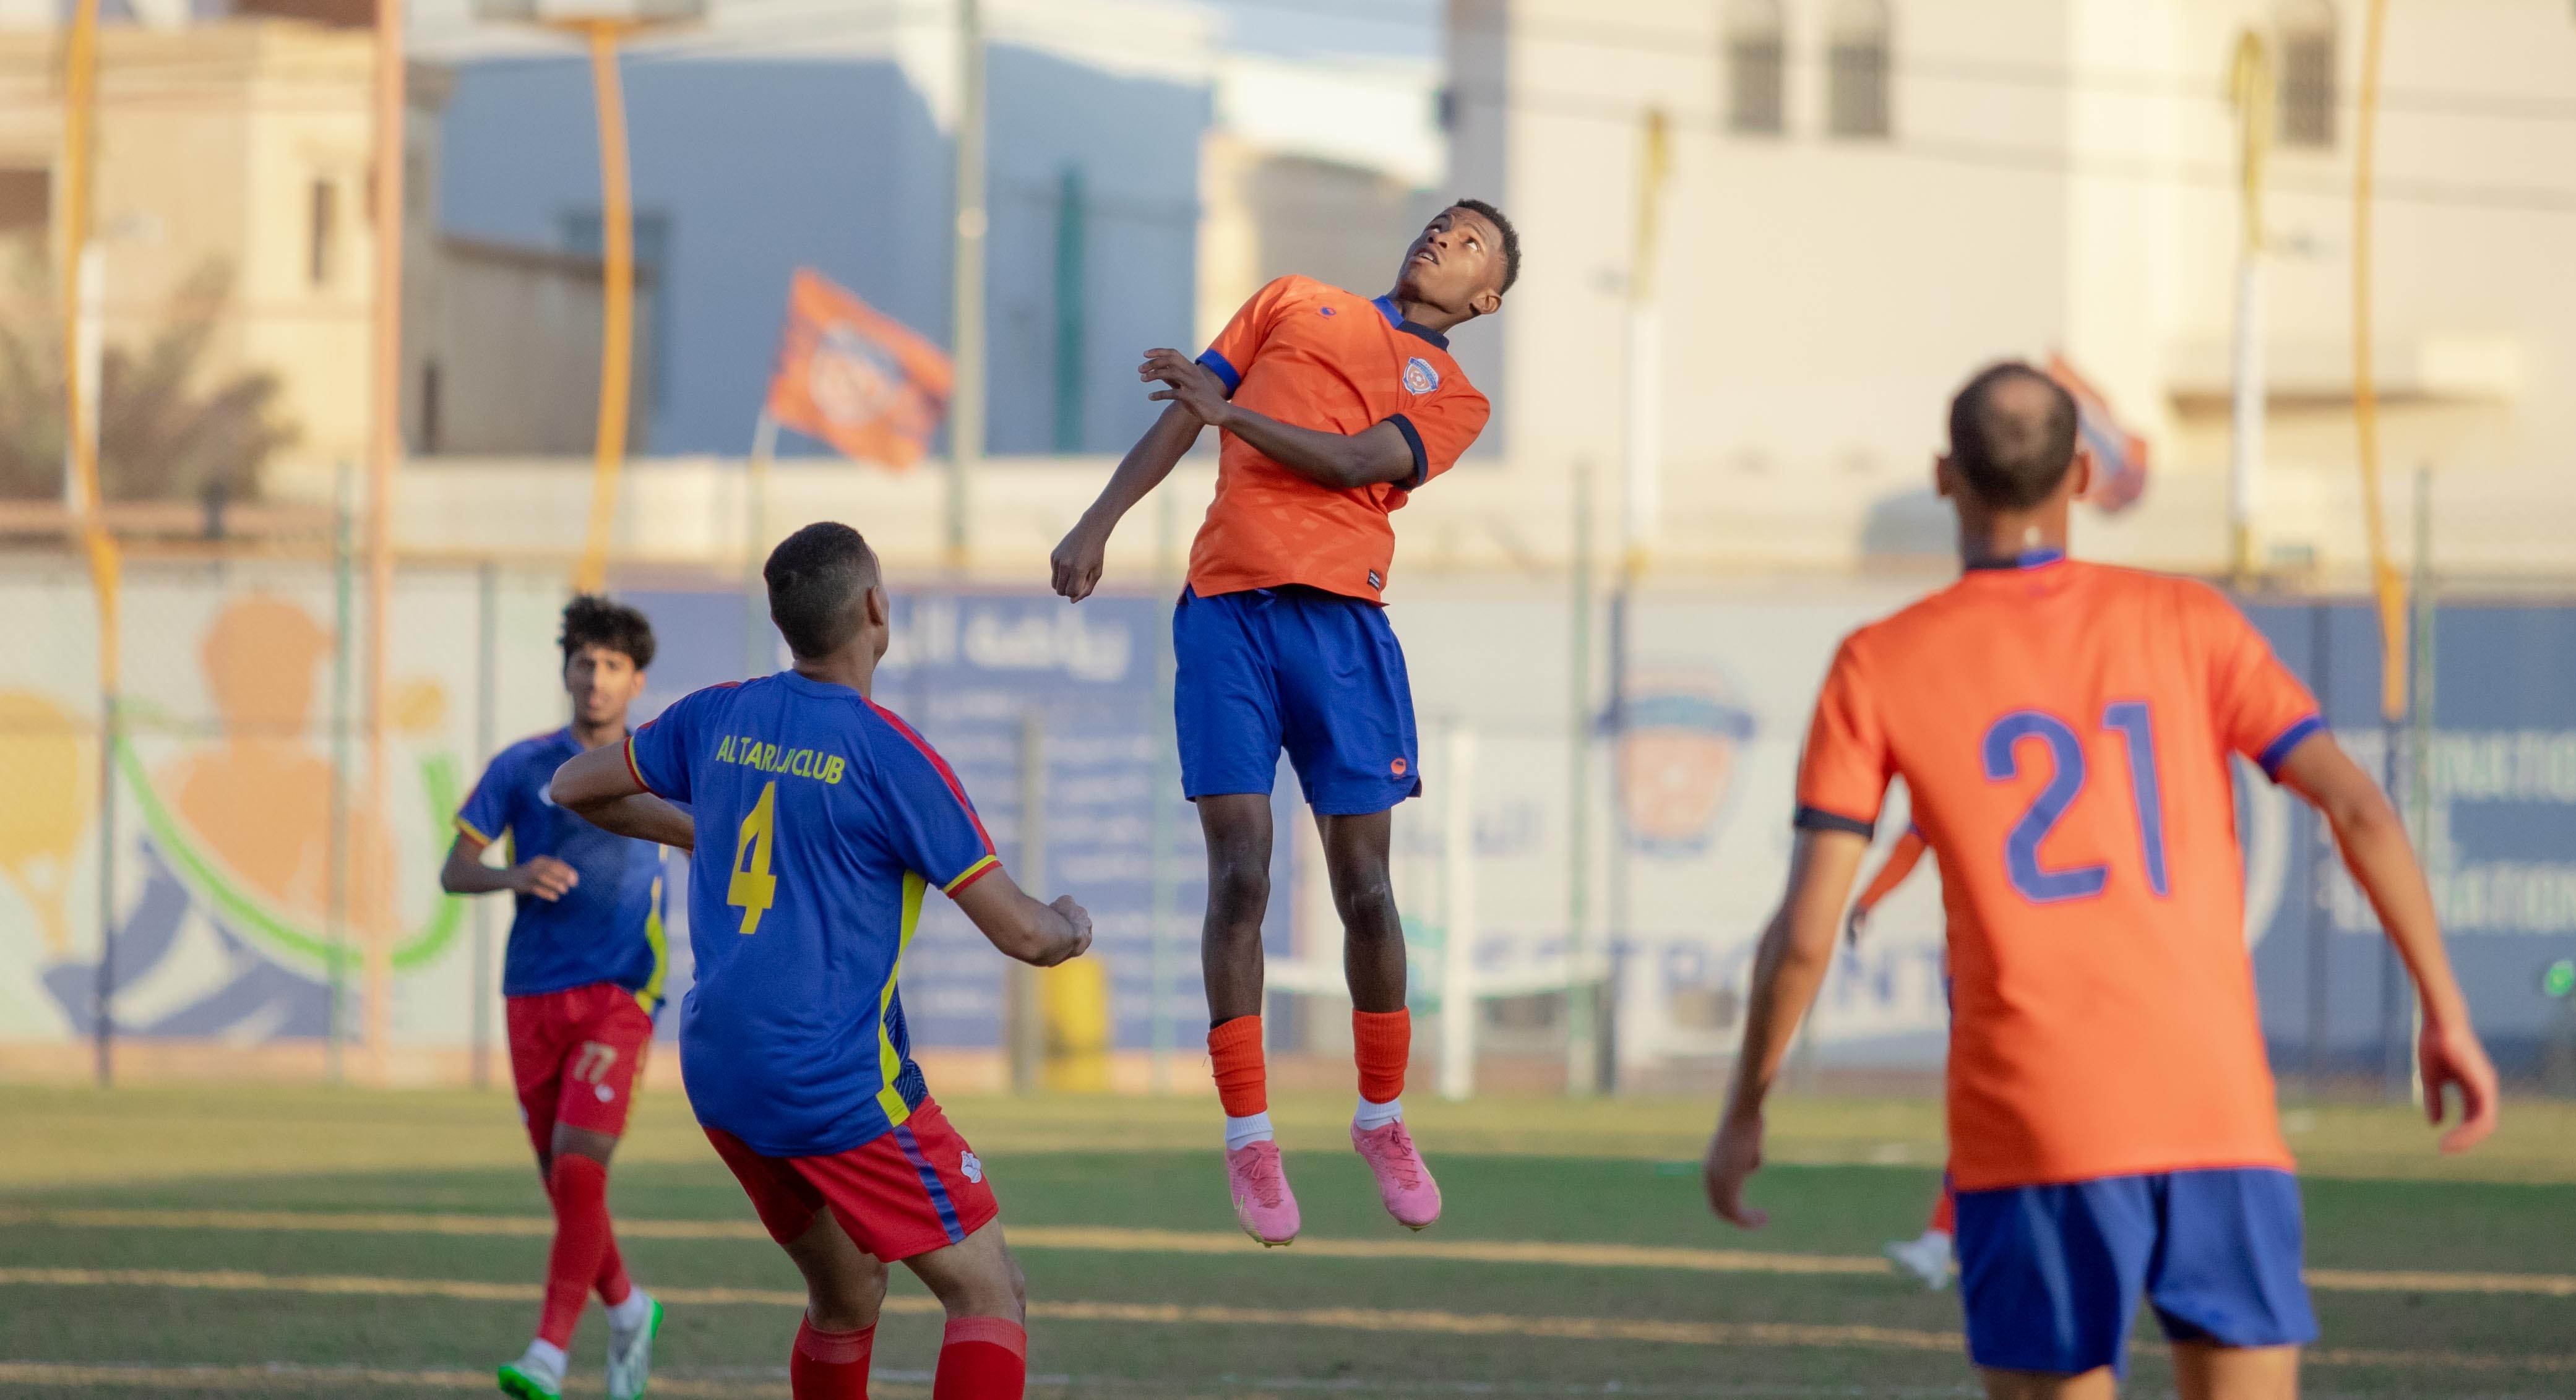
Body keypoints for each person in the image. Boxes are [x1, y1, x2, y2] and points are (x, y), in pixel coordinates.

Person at [1703, 361, 2499, 1399]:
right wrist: (2443, 1014)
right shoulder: (2190, 620)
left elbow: (1808, 929)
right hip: (2217, 1113)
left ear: (1944, 476)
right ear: (2081, 473)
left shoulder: (1878, 661)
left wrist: (1745, 1109)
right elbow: (2358, 809)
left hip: (2033, 1124)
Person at [1049, 202, 1519, 1246]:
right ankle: (1250, 1138)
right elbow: (1185, 411)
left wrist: (1231, 416)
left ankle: (1382, 1120)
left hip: (1341, 631)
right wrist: (1098, 520)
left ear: (1484, 299)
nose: (1444, 238)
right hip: (1225, 617)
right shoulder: (1288, 300)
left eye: (1471, 243)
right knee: (1241, 874)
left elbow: (1354, 464)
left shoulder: (1457, 395)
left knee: (1364, 888)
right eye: (1443, 223)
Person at [553, 522, 1091, 1400]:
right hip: (829, 1080)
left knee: (845, 1293)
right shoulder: (891, 753)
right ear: (876, 607)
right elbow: (1024, 934)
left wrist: (699, 828)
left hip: (720, 1072)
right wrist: (1070, 925)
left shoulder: (719, 712)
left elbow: (574, 785)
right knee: (988, 1292)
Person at [443, 594, 670, 1400]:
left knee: (579, 1165)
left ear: (636, 678)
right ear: (567, 668)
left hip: (620, 990)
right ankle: (629, 1307)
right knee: (566, 1180)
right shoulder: (522, 765)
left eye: (612, 664)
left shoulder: (658, 762)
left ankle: (547, 1349)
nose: (596, 676)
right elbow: (454, 865)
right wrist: (513, 872)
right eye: (584, 661)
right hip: (531, 991)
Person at [1842, 825, 1958, 1291]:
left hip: (1983, 965)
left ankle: (1943, 1238)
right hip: (1990, 965)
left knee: (1996, 1117)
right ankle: (1941, 1236)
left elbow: (1914, 838)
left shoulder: (1958, 761)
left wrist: (1869, 897)